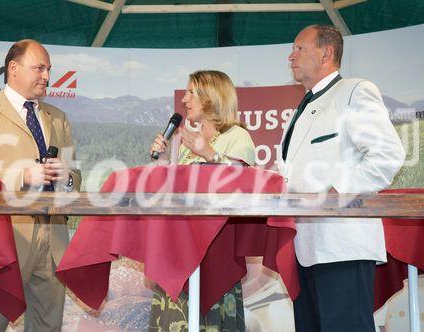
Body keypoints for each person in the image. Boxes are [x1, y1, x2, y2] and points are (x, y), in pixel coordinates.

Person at [278, 25, 405, 331]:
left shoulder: (354, 91)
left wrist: (337, 191)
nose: (290, 57)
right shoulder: (304, 106)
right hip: (304, 249)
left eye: (299, 49)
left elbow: (387, 155)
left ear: (327, 52)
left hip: (342, 246)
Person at [0, 39, 81, 331]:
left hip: (54, 237)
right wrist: (21, 176)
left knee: (49, 326)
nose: (47, 76)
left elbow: (75, 176)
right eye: (39, 68)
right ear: (14, 69)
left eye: (49, 69)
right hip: (4, 239)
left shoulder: (58, 118)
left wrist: (67, 176)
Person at [148, 70, 255, 331]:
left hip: (214, 249)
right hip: (179, 249)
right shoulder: (187, 144)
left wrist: (208, 153)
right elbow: (174, 191)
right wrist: (162, 161)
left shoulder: (237, 136)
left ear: (211, 96)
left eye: (191, 92)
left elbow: (243, 183)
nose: (184, 100)